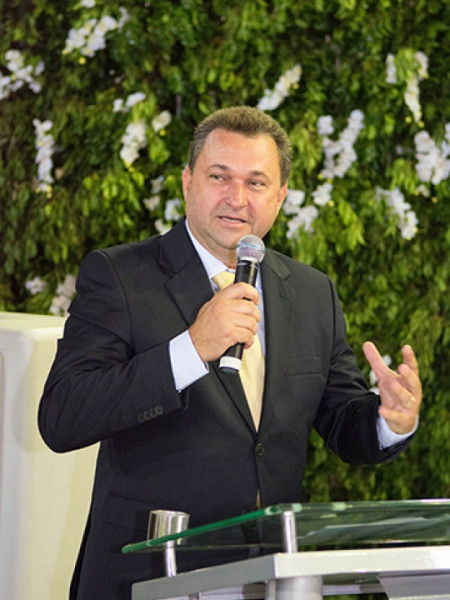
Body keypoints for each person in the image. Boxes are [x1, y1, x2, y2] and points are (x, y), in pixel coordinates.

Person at [38, 106, 422, 599]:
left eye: (256, 183)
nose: (236, 198)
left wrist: (391, 421)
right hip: (150, 574)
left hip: (268, 575)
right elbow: (64, 415)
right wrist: (192, 348)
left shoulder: (311, 292)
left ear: (280, 197)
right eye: (219, 177)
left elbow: (342, 420)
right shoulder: (121, 276)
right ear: (188, 182)